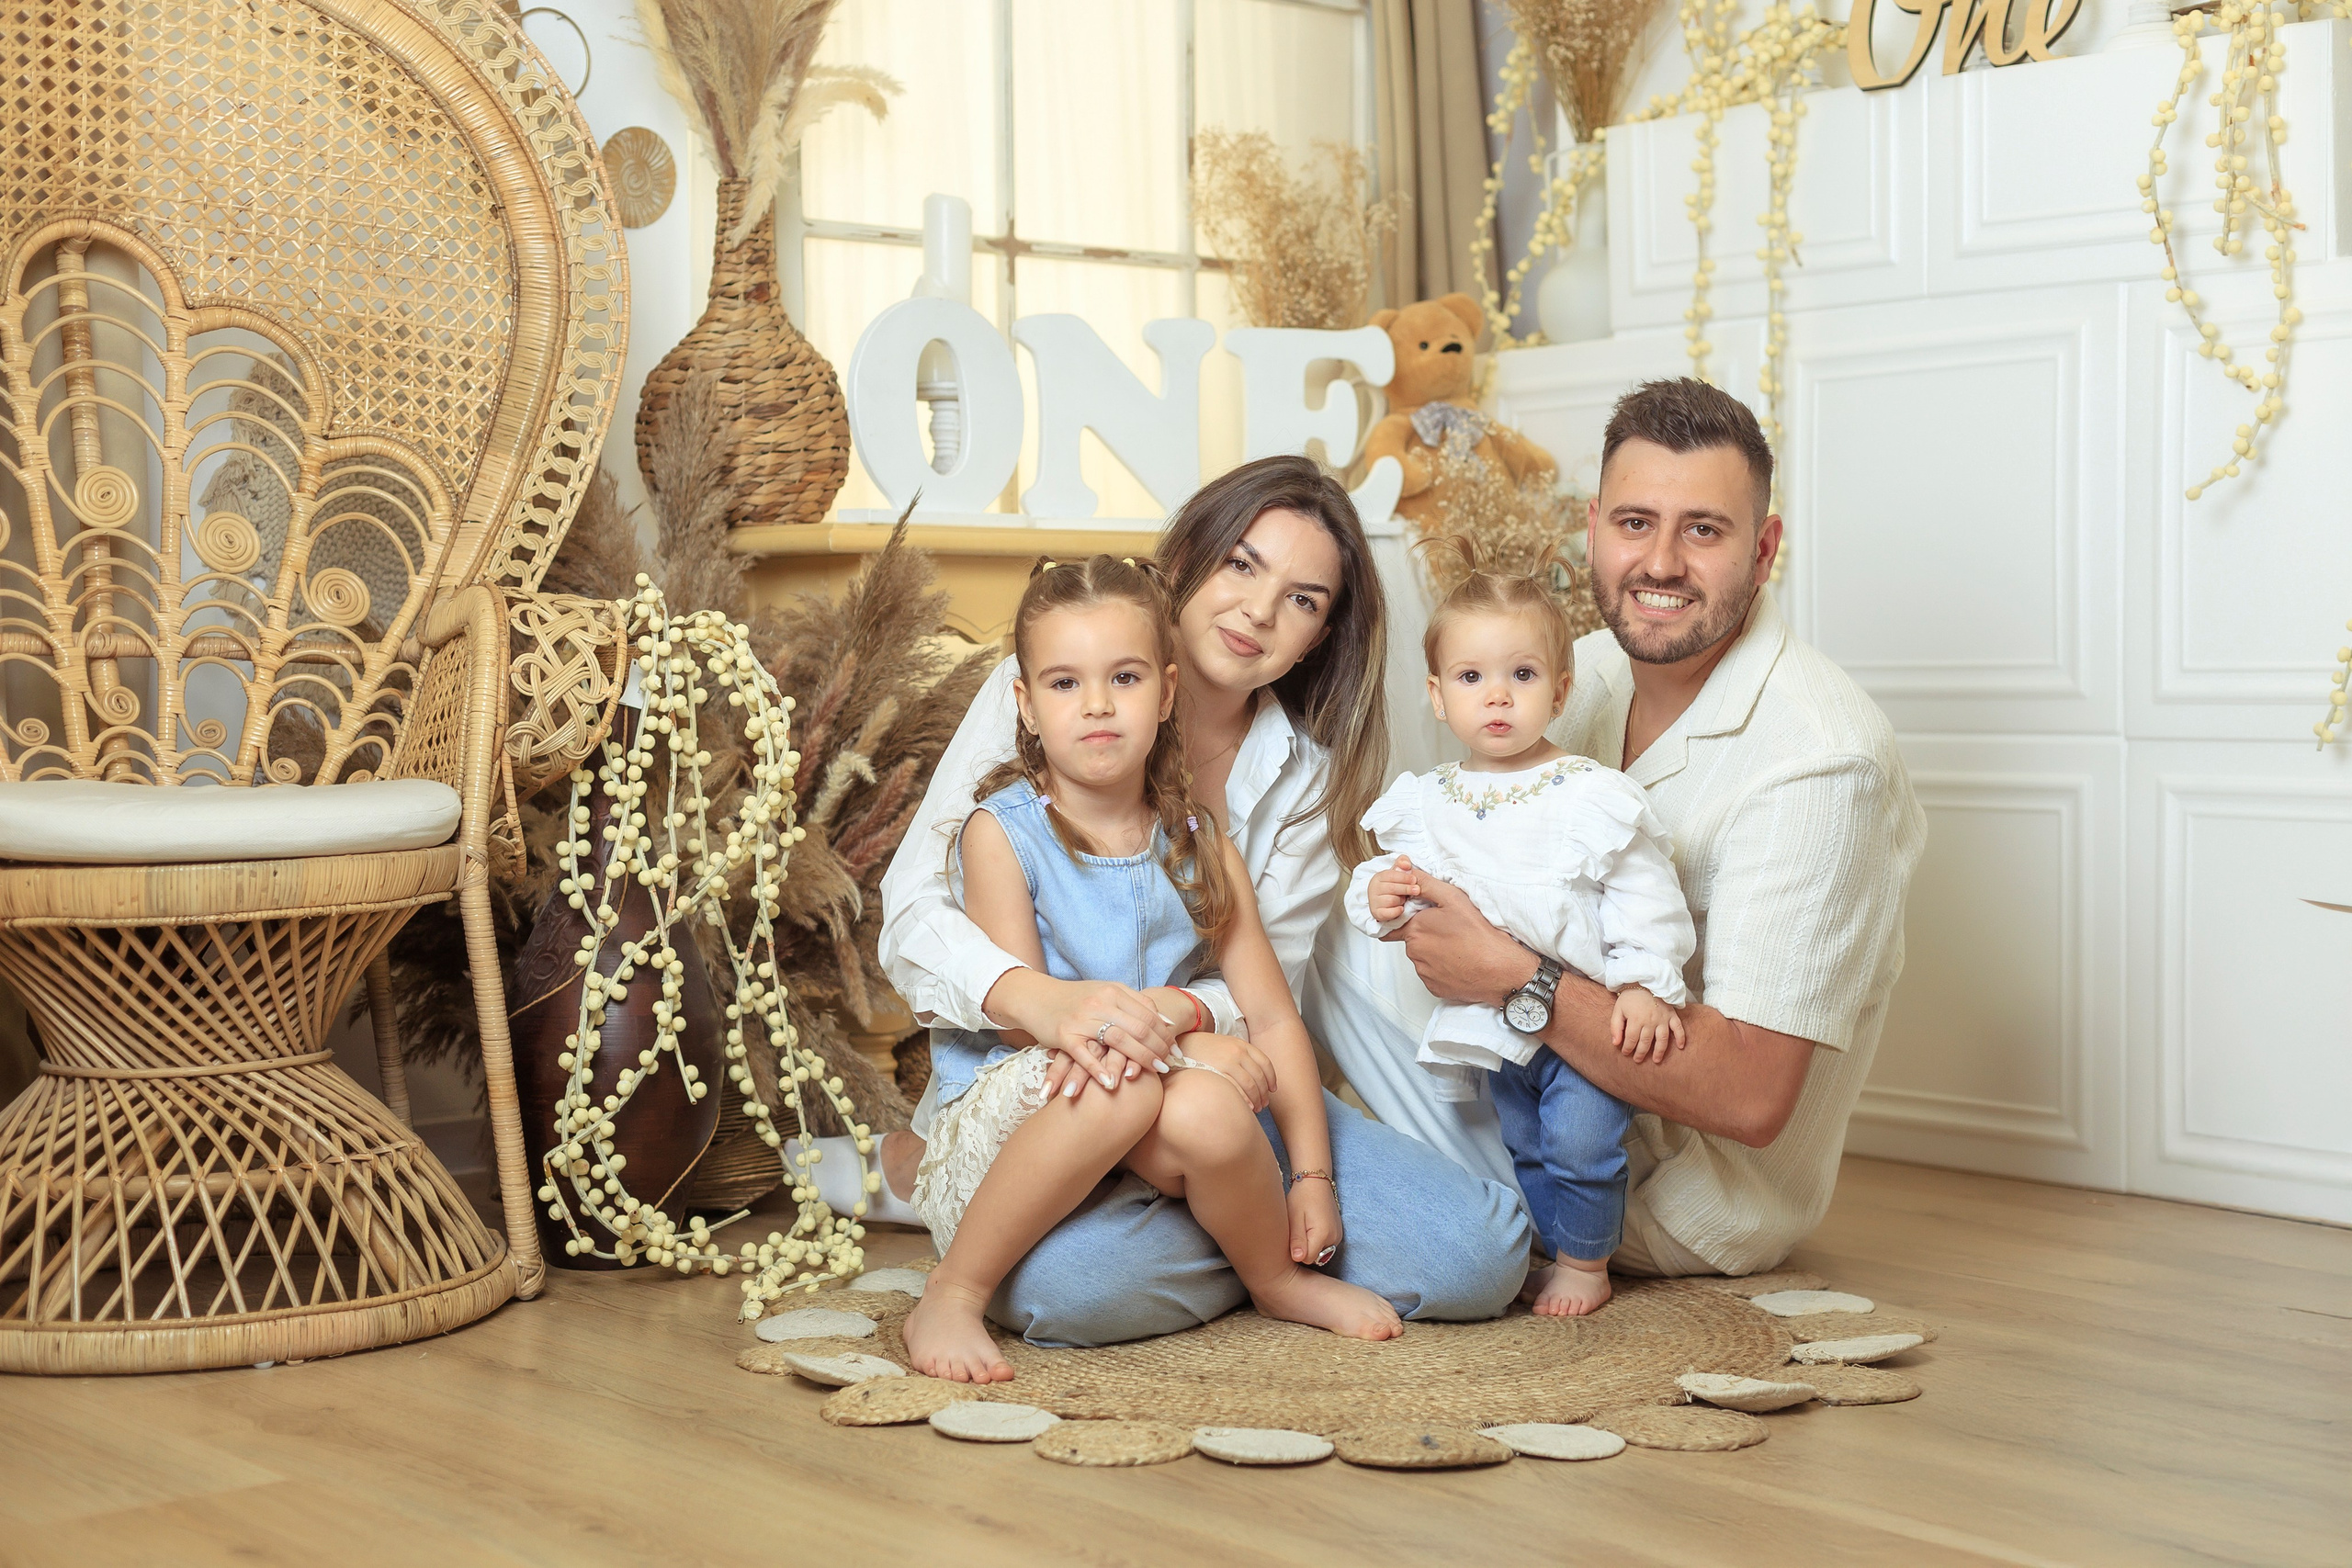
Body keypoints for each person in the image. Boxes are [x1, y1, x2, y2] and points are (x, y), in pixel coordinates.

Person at [870, 457, 1533, 1348]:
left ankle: (1242, 1245)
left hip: (1223, 1086)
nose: (1260, 611)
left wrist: (1195, 1044)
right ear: (1187, 561)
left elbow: (1266, 1003)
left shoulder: (1293, 786)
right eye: (1242, 565)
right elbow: (914, 913)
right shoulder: (1050, 691)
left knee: (1481, 1252)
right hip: (1075, 1078)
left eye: (1302, 600)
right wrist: (1069, 1009)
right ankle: (1227, 1243)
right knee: (1072, 1290)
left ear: (1319, 637)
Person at [1384, 378, 1928, 1278]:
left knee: (1343, 990)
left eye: (1703, 531)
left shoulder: (1822, 759)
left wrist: (1512, 976)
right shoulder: (1575, 675)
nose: (1661, 563)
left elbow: (1751, 1094)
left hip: (1670, 1196)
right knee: (1342, 908)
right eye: (1635, 523)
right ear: (1592, 527)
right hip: (1528, 1098)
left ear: (1765, 549)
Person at [899, 555, 1403, 1382]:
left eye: (1124, 677)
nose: (1097, 705)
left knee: (1211, 1116)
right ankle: (952, 1292)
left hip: (1142, 1096)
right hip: (1034, 1103)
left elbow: (1275, 1019)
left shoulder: (1202, 844)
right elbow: (1033, 1027)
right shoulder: (1002, 833)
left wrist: (1310, 1177)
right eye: (1064, 683)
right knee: (1129, 1084)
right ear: (1024, 706)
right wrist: (1192, 1046)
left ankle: (1273, 1278)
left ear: (1166, 694)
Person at [1346, 559, 1694, 1314]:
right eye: (1471, 676)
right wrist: (1376, 897)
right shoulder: (1432, 800)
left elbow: (1645, 893)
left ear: (1560, 690)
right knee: (1528, 1142)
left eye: (1523, 673)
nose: (1497, 695)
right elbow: (1391, 885)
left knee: (1580, 1140)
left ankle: (1587, 1262)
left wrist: (1644, 983)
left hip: (1584, 1016)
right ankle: (1558, 1241)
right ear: (1438, 696)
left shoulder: (1587, 793)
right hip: (1495, 1024)